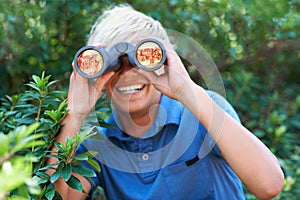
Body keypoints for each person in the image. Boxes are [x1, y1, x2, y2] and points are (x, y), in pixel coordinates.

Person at [50, 4, 284, 200]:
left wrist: (187, 89)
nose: (128, 73)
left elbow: (269, 185)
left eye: (141, 59)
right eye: (113, 64)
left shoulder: (201, 112)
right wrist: (75, 114)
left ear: (164, 61)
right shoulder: (98, 144)